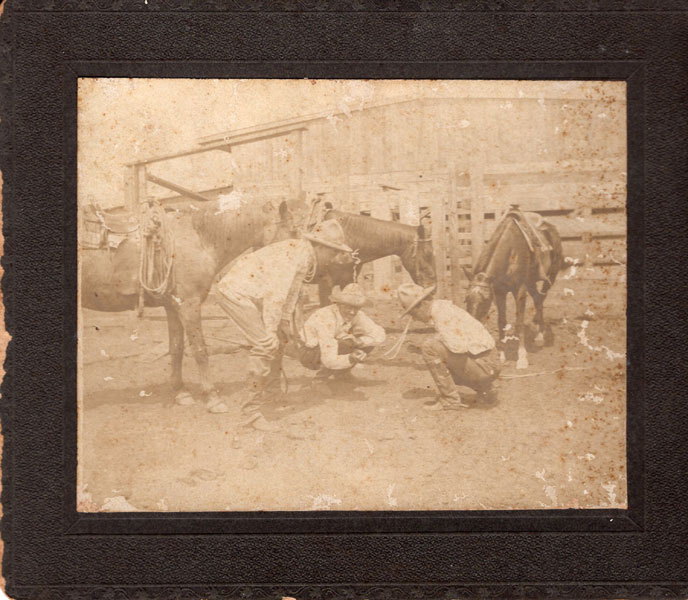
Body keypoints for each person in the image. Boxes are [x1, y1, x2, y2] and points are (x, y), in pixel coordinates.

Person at [215, 219, 354, 430]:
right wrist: (270, 330)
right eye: (332, 251)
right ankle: (250, 414)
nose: (333, 257)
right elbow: (275, 295)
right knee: (265, 345)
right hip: (235, 292)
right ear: (318, 246)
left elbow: (291, 293)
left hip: (254, 295)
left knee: (279, 338)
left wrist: (284, 323)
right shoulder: (293, 255)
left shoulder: (304, 256)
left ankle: (272, 395)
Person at [397, 283, 499, 410]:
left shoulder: (442, 315)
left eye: (413, 313)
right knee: (435, 351)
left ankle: (450, 400)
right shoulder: (443, 308)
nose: (415, 319)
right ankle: (486, 389)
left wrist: (434, 345)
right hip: (489, 363)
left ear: (421, 305)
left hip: (485, 365)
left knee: (429, 347)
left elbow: (458, 347)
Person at [297, 283, 386, 381]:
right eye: (348, 307)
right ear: (339, 304)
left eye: (356, 307)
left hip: (330, 347)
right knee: (345, 343)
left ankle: (341, 374)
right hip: (309, 352)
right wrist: (350, 358)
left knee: (364, 342)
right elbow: (328, 359)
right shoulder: (326, 317)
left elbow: (379, 333)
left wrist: (359, 341)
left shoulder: (357, 315)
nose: (352, 312)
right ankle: (320, 379)